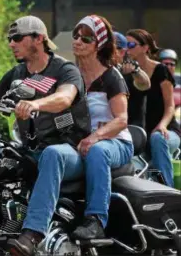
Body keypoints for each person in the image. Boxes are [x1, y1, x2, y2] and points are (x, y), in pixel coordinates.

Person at [0, 15, 106, 256]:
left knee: (52, 154)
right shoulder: (16, 74)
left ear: (38, 38)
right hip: (31, 151)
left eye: (17, 38)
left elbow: (64, 98)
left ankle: (33, 234)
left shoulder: (65, 69)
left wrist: (36, 105)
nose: (11, 43)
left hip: (71, 151)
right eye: (9, 39)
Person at [71, 14, 133, 240]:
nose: (78, 41)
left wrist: (95, 137)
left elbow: (122, 119)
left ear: (100, 45)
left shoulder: (111, 77)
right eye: (76, 35)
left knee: (97, 151)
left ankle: (96, 219)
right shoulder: (72, 75)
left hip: (117, 142)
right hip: (84, 142)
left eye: (86, 38)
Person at [126, 29, 181, 187]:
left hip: (167, 130)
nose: (127, 49)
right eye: (125, 44)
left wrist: (162, 125)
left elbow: (170, 106)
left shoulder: (161, 71)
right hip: (141, 132)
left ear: (145, 48)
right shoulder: (128, 73)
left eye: (131, 45)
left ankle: (167, 190)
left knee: (158, 138)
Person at [113, 31, 151, 128]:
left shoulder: (130, 69)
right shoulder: (95, 72)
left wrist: (136, 71)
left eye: (109, 49)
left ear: (122, 52)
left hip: (131, 131)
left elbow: (145, 84)